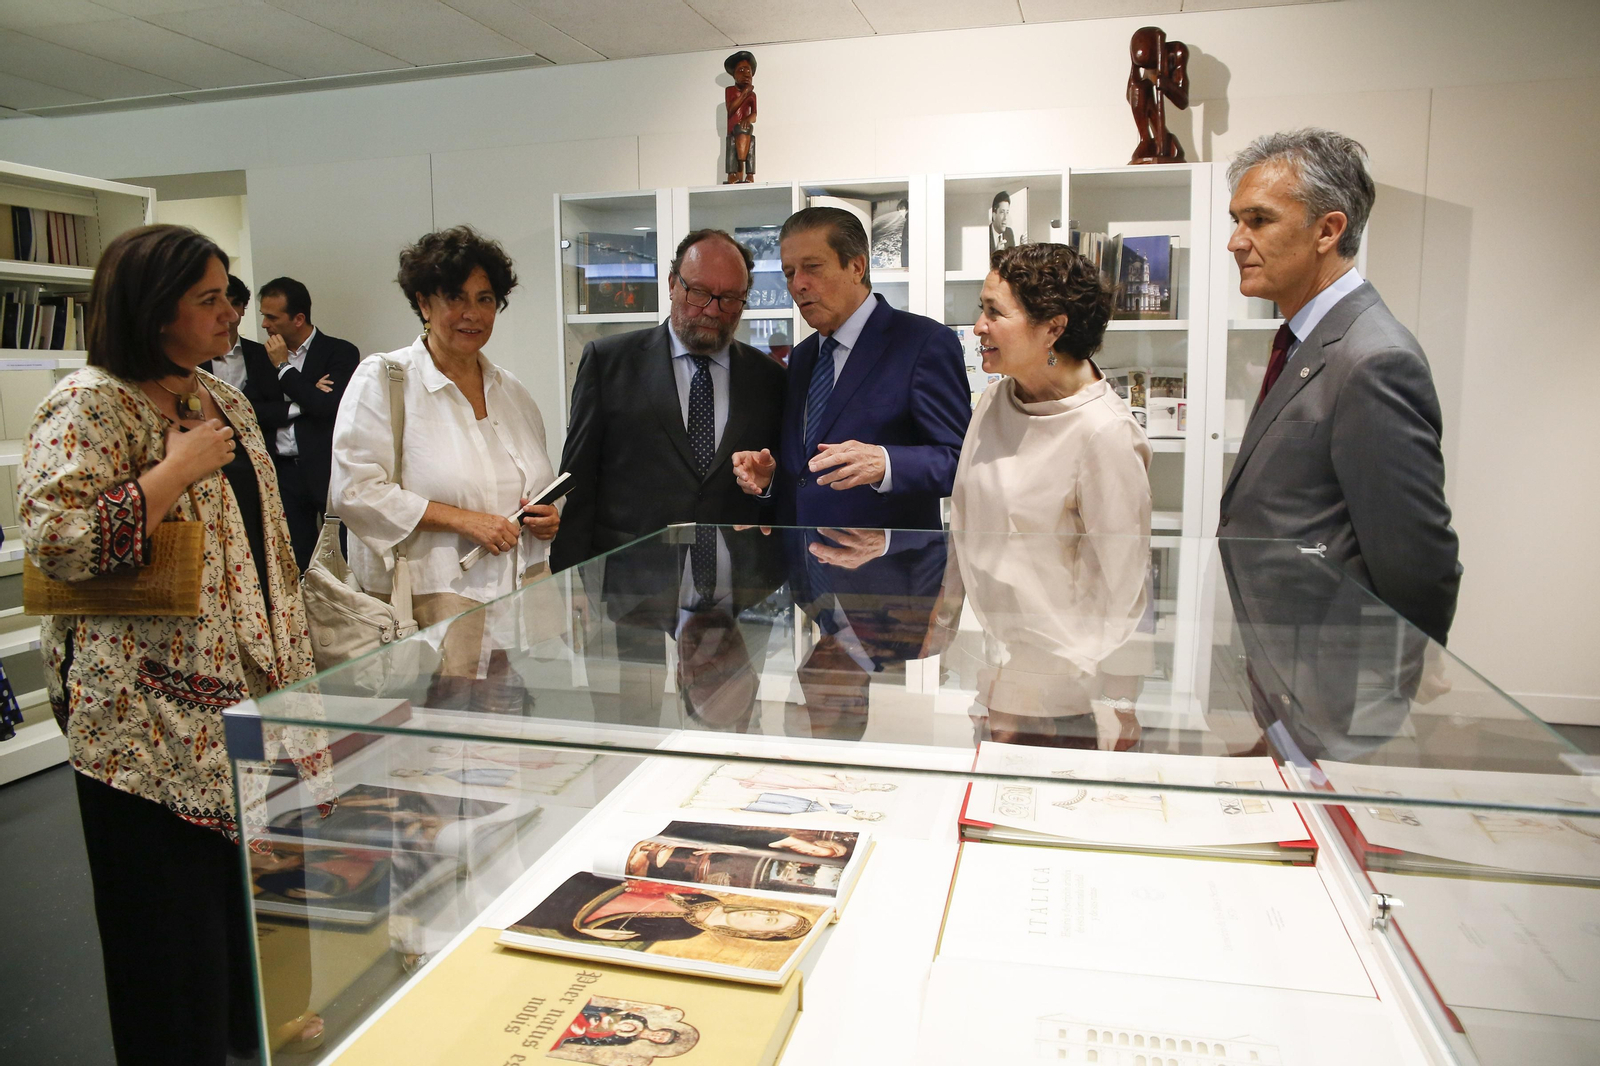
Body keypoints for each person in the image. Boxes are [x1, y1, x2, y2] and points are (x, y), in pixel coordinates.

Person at [18, 224, 329, 1063]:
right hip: (145, 733)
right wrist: (169, 473)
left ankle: (261, 1034)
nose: (231, 314)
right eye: (209, 299)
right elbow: (55, 539)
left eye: (229, 293)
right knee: (167, 943)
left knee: (252, 921)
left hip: (248, 707)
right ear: (154, 312)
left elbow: (263, 547)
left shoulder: (220, 397)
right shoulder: (89, 402)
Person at [1219, 128, 1461, 645]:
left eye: (1258, 220)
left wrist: (1405, 668)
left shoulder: (1374, 358)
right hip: (1287, 654)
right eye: (1237, 221)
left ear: (1327, 231)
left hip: (1333, 670)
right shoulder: (1308, 338)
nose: (1236, 241)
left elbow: (1415, 555)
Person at [331, 226, 560, 712]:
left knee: (511, 755)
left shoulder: (511, 390)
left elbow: (534, 484)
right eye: (455, 297)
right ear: (424, 303)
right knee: (436, 760)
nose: (472, 313)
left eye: (485, 298)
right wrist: (461, 519)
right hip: (431, 611)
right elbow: (354, 493)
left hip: (518, 609)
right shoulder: (386, 379)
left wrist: (548, 515)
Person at [552, 229, 785, 572]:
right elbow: (578, 480)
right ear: (672, 284)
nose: (713, 310)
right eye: (700, 293)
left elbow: (778, 483)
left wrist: (767, 484)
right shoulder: (609, 361)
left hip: (738, 586)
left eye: (730, 298)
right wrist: (568, 582)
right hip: (633, 582)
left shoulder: (770, 378)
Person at [732, 207, 970, 542]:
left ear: (856, 267)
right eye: (789, 273)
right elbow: (807, 473)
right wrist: (771, 478)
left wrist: (886, 463)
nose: (798, 284)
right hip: (809, 578)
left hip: (891, 579)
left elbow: (960, 459)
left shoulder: (923, 344)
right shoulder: (802, 357)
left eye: (812, 268)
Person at [251, 275, 361, 570]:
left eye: (271, 317)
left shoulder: (340, 352)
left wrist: (284, 368)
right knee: (296, 557)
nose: (265, 325)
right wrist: (304, 400)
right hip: (283, 472)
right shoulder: (263, 357)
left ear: (298, 318)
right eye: (264, 316)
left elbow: (327, 407)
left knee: (343, 555)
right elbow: (253, 410)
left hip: (326, 468)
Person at [198, 273, 264, 394]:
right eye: (223, 303)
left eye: (236, 304)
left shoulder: (260, 354)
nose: (229, 311)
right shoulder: (192, 354)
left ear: (243, 309)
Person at [724, 51, 757, 184]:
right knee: (732, 144)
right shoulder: (731, 91)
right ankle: (732, 174)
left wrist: (747, 120)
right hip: (732, 130)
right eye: (741, 70)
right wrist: (745, 93)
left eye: (748, 70)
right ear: (734, 75)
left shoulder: (753, 95)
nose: (746, 74)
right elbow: (731, 109)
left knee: (751, 143)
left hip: (745, 129)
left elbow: (754, 114)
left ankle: (749, 174)